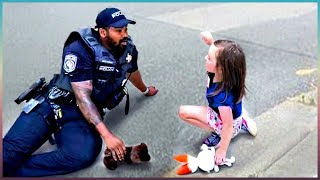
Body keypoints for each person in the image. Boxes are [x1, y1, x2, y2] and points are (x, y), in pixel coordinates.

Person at [3, 7, 158, 177]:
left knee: (83, 155)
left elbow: (131, 71)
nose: (125, 34)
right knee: (7, 157)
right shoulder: (79, 48)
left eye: (126, 29)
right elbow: (82, 97)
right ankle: (8, 166)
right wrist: (108, 136)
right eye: (118, 30)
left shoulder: (127, 48)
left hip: (80, 117)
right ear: (103, 32)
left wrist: (145, 89)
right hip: (52, 106)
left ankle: (11, 170)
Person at [178, 31, 257, 166]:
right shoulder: (224, 74)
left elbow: (227, 124)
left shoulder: (222, 98)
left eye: (209, 58)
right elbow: (221, 56)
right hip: (229, 116)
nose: (205, 58)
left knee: (183, 112)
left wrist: (222, 150)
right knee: (227, 118)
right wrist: (211, 43)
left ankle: (219, 133)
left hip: (227, 123)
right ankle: (241, 121)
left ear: (221, 69)